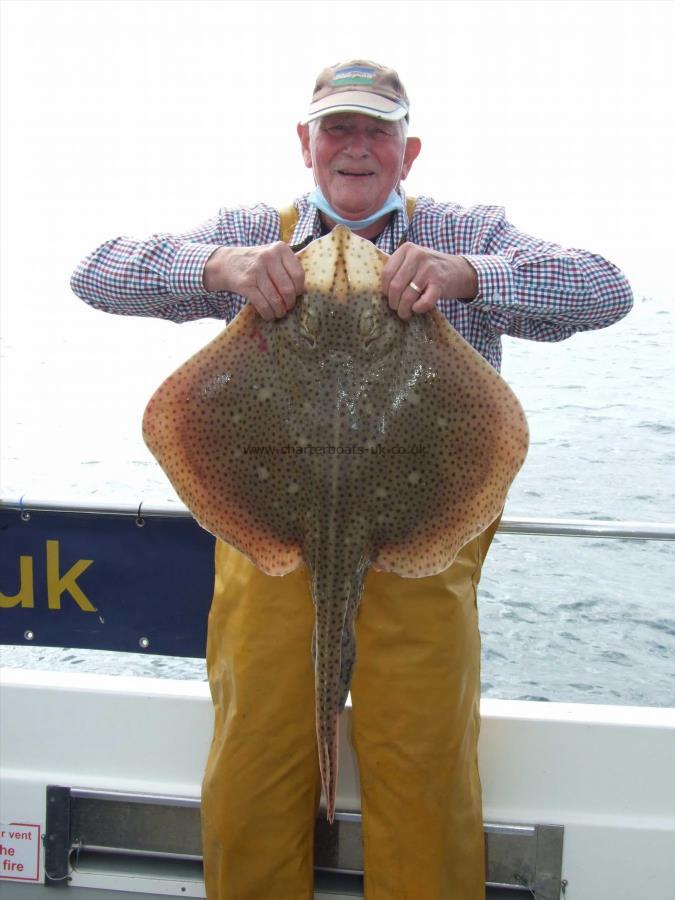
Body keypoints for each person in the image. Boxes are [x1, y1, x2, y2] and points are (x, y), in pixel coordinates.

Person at [71, 60, 632, 900]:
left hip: (422, 546)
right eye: (339, 128)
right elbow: (97, 271)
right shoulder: (254, 228)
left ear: (409, 152)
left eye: (379, 130)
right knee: (256, 767)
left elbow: (605, 289)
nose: (358, 147)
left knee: (423, 775)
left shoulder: (465, 230)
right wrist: (221, 268)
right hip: (273, 550)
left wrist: (469, 276)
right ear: (306, 143)